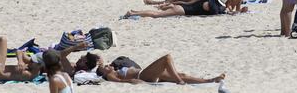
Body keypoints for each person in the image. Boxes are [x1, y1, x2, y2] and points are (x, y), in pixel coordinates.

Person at [96, 54, 225, 85]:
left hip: (145, 74)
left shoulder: (113, 70)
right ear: (104, 72)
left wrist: (100, 63)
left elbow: (100, 61)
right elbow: (120, 82)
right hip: (142, 76)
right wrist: (133, 82)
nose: (108, 65)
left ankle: (210, 80)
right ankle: (179, 81)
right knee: (166, 58)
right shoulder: (110, 76)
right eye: (105, 67)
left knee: (181, 73)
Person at [123, 0, 244, 18]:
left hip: (183, 8)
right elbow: (214, 12)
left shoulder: (214, 2)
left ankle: (134, 12)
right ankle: (132, 12)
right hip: (182, 10)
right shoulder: (213, 5)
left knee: (157, 13)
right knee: (156, 15)